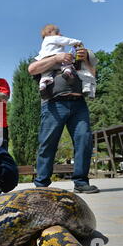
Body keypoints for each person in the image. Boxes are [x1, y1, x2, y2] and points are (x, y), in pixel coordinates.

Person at [28, 44, 100, 194]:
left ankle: (81, 182)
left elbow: (92, 74)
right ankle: (41, 185)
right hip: (53, 104)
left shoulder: (75, 58)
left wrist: (86, 59)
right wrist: (56, 58)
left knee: (84, 140)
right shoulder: (46, 57)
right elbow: (32, 69)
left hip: (79, 104)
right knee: (48, 143)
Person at [35, 24, 95, 99]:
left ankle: (43, 85)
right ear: (50, 33)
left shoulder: (43, 46)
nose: (59, 34)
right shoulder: (53, 38)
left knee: (46, 74)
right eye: (57, 33)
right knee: (67, 64)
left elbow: (93, 73)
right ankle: (67, 72)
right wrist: (77, 42)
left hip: (45, 60)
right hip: (55, 58)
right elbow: (66, 41)